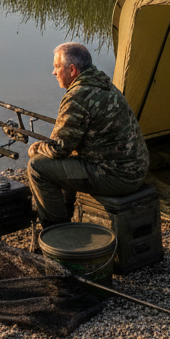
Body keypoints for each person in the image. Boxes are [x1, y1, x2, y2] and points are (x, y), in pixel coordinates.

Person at [27, 42, 149, 227]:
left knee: (37, 167)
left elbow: (59, 149)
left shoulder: (77, 96)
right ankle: (67, 216)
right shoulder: (101, 82)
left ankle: (56, 231)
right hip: (136, 170)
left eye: (57, 67)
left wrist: (36, 148)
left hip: (118, 177)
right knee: (69, 160)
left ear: (72, 69)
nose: (54, 72)